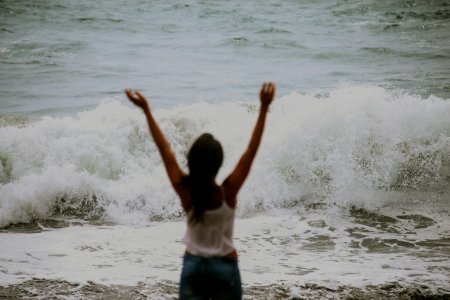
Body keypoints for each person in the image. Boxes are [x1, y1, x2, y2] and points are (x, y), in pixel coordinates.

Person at [125, 82, 276, 300]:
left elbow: (164, 149)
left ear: (191, 161)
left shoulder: (186, 191)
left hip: (193, 266)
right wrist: (263, 108)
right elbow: (251, 152)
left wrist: (146, 110)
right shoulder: (228, 192)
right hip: (225, 267)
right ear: (219, 164)